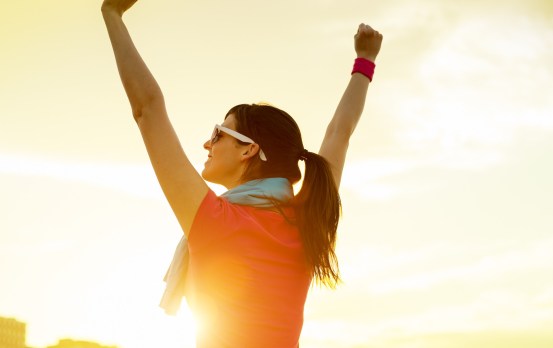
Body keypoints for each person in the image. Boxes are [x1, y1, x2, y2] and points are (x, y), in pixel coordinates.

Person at [101, 0, 382, 346]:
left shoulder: (213, 221)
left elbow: (147, 109)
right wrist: (365, 61)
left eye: (219, 132)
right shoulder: (308, 221)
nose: (207, 143)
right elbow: (340, 132)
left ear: (250, 149)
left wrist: (111, 15)